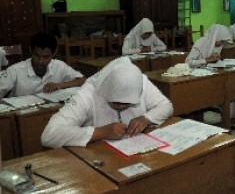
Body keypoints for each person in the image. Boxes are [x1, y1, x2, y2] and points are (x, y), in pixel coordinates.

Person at [41, 57, 173, 148]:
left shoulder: (141, 81)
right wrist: (101, 132)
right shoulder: (89, 92)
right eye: (116, 102)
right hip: (100, 156)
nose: (121, 106)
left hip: (135, 150)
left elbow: (166, 106)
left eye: (127, 103)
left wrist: (146, 118)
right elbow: (49, 135)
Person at [0, 32, 86, 98]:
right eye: (37, 55)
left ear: (54, 53)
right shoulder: (15, 70)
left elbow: (82, 80)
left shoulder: (59, 66)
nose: (40, 61)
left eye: (46, 57)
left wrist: (59, 85)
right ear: (30, 50)